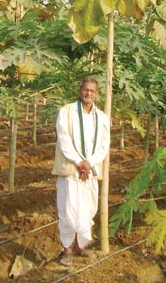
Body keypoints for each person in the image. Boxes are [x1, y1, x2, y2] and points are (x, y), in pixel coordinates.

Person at [52, 76, 111, 265]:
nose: (88, 93)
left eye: (92, 90)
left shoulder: (102, 118)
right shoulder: (67, 112)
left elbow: (104, 145)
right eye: (85, 89)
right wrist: (79, 162)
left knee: (88, 209)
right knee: (67, 210)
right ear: (80, 91)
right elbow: (64, 139)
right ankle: (67, 250)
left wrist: (89, 162)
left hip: (90, 172)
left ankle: (80, 247)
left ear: (97, 94)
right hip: (71, 170)